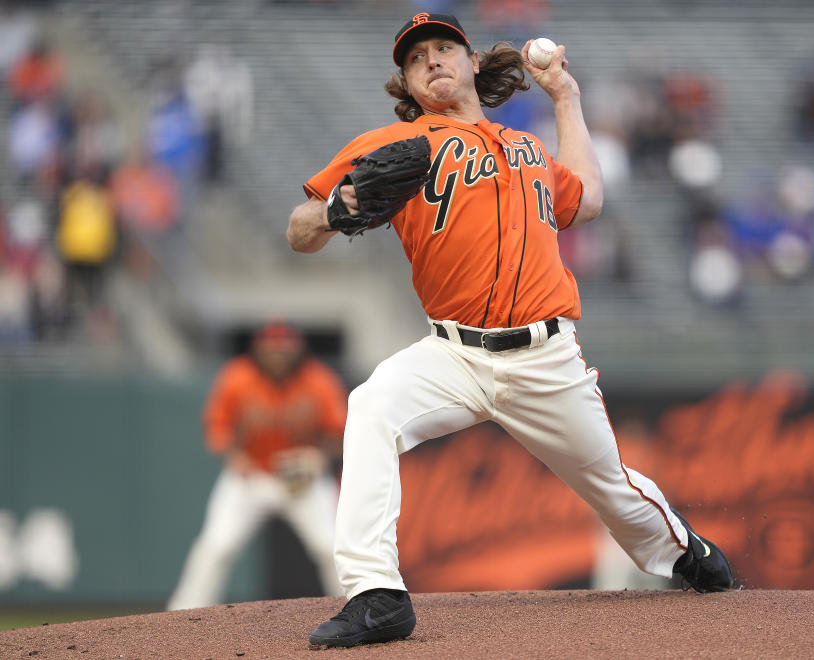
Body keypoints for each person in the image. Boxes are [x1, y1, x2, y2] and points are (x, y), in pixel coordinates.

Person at [287, 13, 734, 648]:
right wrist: (338, 208)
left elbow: (587, 201)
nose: (433, 61)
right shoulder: (395, 147)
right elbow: (299, 231)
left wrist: (565, 98)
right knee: (372, 407)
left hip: (546, 357)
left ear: (472, 63)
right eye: (417, 59)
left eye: (445, 48)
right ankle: (376, 595)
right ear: (407, 84)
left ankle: (683, 551)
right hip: (453, 353)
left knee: (613, 490)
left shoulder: (525, 147)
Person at [167, 321, 348, 610]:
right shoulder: (237, 376)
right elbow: (217, 426)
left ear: (297, 349)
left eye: (283, 349)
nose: (277, 354)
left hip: (301, 479)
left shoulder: (318, 380)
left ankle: (355, 608)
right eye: (271, 349)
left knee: (331, 547)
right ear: (258, 350)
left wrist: (319, 457)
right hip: (251, 478)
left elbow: (340, 433)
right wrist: (233, 456)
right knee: (216, 546)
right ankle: (181, 615)